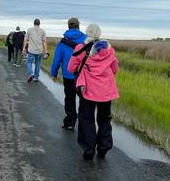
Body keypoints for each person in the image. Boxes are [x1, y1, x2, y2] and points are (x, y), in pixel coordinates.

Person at [67, 24, 119, 161]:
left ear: (87, 33)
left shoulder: (80, 48)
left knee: (86, 119)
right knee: (105, 119)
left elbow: (71, 68)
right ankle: (104, 148)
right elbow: (115, 68)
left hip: (88, 90)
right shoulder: (108, 49)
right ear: (99, 34)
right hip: (106, 91)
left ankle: (88, 150)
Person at [50, 17, 87, 131]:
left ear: (68, 26)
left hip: (68, 75)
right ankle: (85, 124)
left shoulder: (62, 42)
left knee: (70, 99)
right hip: (83, 77)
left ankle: (70, 122)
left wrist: (54, 73)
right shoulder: (87, 40)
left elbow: (57, 59)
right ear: (78, 26)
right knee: (84, 101)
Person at [23, 18, 49, 83]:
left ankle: (30, 74)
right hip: (39, 50)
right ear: (39, 24)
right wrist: (46, 51)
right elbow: (44, 41)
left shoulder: (29, 30)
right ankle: (36, 77)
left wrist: (24, 48)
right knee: (38, 63)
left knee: (29, 62)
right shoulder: (42, 31)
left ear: (34, 23)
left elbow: (25, 39)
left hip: (31, 50)